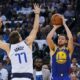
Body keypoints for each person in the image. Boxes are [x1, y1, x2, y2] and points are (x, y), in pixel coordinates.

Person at [0, 4, 41, 80]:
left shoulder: (9, 47)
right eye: (20, 35)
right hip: (27, 76)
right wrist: (37, 14)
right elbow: (35, 29)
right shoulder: (27, 42)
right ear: (19, 38)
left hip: (15, 77)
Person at [47, 14, 74, 80]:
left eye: (62, 39)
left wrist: (64, 24)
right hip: (55, 77)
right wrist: (55, 27)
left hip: (66, 77)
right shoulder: (54, 49)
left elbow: (70, 38)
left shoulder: (69, 50)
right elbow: (48, 38)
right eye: (59, 39)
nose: (60, 40)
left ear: (66, 41)